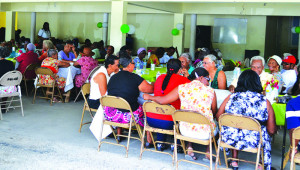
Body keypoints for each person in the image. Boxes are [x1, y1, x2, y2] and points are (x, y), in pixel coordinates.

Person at [144, 67, 217, 161]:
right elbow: (214, 112)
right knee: (212, 120)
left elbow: (162, 100)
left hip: (184, 131)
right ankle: (208, 153)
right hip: (205, 133)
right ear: (200, 77)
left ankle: (190, 149)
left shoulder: (182, 88)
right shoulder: (211, 91)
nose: (208, 82)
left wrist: (150, 97)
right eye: (208, 79)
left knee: (189, 119)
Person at [216, 70, 276, 170]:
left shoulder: (231, 97)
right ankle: (260, 164)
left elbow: (219, 117)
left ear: (240, 82)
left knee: (235, 127)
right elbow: (271, 130)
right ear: (257, 82)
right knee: (265, 131)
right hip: (255, 141)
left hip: (231, 138)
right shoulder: (264, 101)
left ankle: (234, 160)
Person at [104, 53, 154, 141]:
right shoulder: (134, 77)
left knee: (121, 101)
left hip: (110, 114)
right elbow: (149, 89)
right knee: (147, 107)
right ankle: (149, 139)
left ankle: (119, 134)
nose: (134, 65)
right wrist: (153, 84)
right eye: (133, 63)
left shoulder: (113, 77)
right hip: (128, 116)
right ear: (129, 65)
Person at [145, 59, 190, 151]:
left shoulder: (159, 78)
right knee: (182, 112)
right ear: (180, 70)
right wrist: (187, 77)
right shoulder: (184, 80)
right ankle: (177, 144)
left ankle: (160, 142)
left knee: (161, 110)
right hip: (170, 122)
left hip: (152, 119)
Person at [0, 47, 15, 112]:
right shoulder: (11, 63)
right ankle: (3, 105)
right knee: (5, 82)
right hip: (9, 87)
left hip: (1, 86)